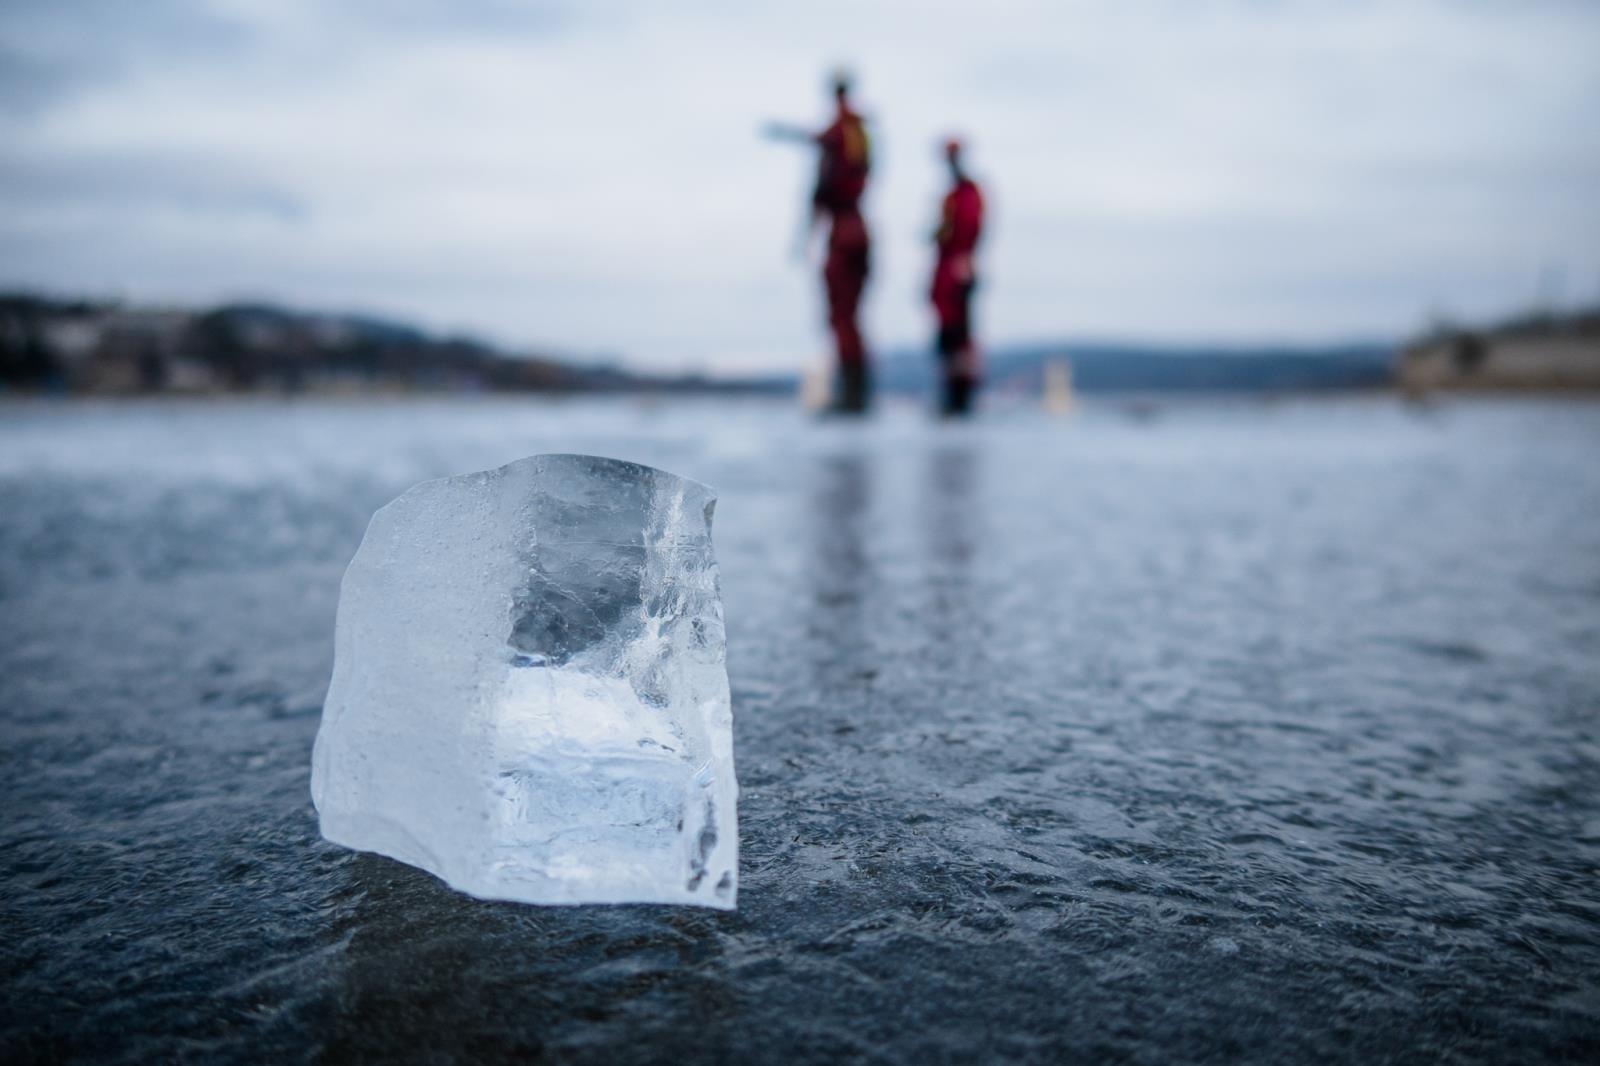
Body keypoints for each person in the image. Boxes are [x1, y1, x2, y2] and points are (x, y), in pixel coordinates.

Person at [766, 72, 874, 413]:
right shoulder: (856, 133)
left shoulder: (842, 133)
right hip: (854, 229)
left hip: (845, 232)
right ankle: (855, 392)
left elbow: (823, 180)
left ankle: (854, 396)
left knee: (842, 315)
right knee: (849, 315)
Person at [930, 137, 984, 416]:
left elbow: (968, 231)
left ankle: (961, 395)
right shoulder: (954, 196)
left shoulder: (968, 194)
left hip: (957, 273)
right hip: (946, 277)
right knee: (950, 336)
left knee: (959, 336)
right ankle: (953, 393)